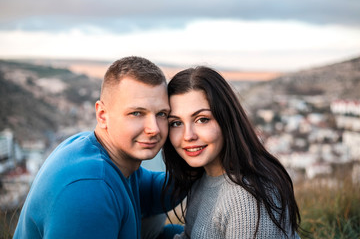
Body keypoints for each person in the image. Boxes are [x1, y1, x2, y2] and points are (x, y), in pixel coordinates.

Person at [14, 56, 182, 239]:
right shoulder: (89, 191)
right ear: (102, 115)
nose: (154, 129)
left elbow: (152, 192)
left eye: (161, 114)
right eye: (136, 113)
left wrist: (195, 165)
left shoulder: (101, 150)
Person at [162, 66, 302, 238]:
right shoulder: (203, 178)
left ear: (226, 119)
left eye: (202, 119)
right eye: (176, 123)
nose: (188, 136)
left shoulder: (247, 197)